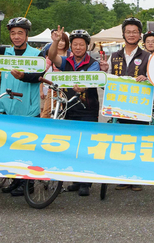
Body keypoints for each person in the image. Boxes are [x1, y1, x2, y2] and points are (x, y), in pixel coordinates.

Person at [45, 27, 100, 196]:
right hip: (69, 108)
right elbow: (52, 56)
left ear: (87, 46)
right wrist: (56, 40)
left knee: (86, 147)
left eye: (81, 45)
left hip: (88, 109)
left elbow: (91, 79)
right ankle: (76, 180)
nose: (77, 47)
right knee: (73, 146)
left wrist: (82, 87)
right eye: (75, 44)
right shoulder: (66, 62)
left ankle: (86, 183)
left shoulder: (93, 63)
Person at [105, 17, 150, 192]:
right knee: (121, 141)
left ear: (140, 35)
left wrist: (147, 78)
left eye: (135, 32)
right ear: (123, 34)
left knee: (138, 141)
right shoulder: (114, 56)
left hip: (140, 106)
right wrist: (103, 72)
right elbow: (107, 78)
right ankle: (123, 177)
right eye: (128, 31)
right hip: (118, 105)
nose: (131, 35)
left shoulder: (148, 56)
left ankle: (136, 178)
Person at [0, 18, 45, 119]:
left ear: (27, 35)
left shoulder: (37, 54)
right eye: (13, 33)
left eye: (20, 33)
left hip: (29, 111)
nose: (16, 37)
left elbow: (40, 75)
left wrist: (23, 76)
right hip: (6, 109)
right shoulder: (6, 53)